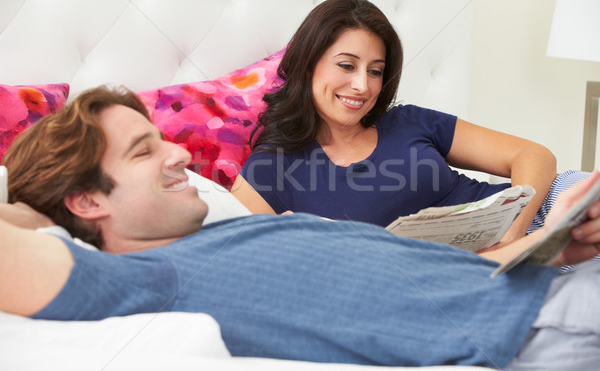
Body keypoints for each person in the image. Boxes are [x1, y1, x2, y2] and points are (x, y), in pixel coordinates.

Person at [1, 85, 600, 370]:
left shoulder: (231, 234)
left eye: (163, 140)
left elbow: (441, 279)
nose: (179, 156)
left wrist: (555, 246)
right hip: (536, 332)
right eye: (142, 153)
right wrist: (27, 200)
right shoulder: (140, 277)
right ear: (85, 202)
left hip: (549, 288)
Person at [232, 0, 588, 248]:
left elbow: (533, 155)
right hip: (484, 274)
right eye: (346, 65)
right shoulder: (271, 168)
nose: (362, 85)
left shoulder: (407, 122)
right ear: (308, 64)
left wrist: (514, 230)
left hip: (552, 209)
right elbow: (236, 256)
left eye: (375, 71)